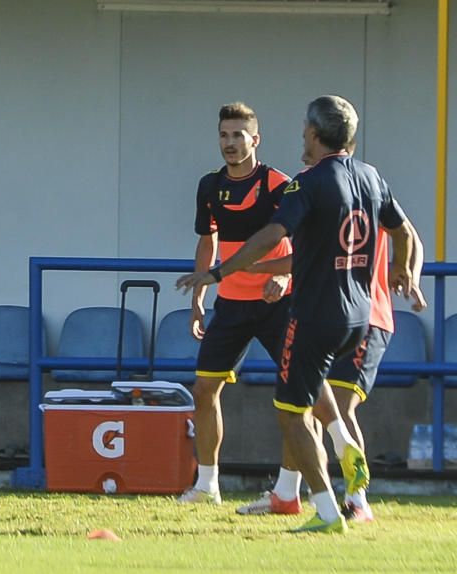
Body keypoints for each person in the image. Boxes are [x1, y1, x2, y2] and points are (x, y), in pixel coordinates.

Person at [177, 95, 418, 533]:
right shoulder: (370, 176)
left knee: (292, 412)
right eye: (224, 135)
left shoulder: (302, 183)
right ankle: (298, 487)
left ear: (312, 133)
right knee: (315, 400)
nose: (229, 142)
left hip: (311, 312)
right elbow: (403, 230)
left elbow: (273, 235)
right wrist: (406, 269)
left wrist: (220, 271)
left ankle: (330, 511)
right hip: (359, 315)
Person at [244, 214, 426, 521]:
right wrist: (267, 270)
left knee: (340, 407)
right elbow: (307, 257)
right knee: (299, 405)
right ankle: (286, 493)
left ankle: (357, 501)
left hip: (369, 318)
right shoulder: (321, 194)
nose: (306, 161)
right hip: (325, 317)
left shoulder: (367, 193)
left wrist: (408, 272)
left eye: (311, 159)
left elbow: (409, 235)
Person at [178, 102, 304, 510]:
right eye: (223, 135)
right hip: (230, 304)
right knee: (204, 388)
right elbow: (207, 240)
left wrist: (284, 276)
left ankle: (289, 488)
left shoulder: (279, 185)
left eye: (237, 135)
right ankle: (207, 485)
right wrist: (199, 298)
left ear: (256, 139)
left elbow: (305, 244)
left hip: (276, 304)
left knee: (295, 396)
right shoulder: (209, 186)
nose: (230, 143)